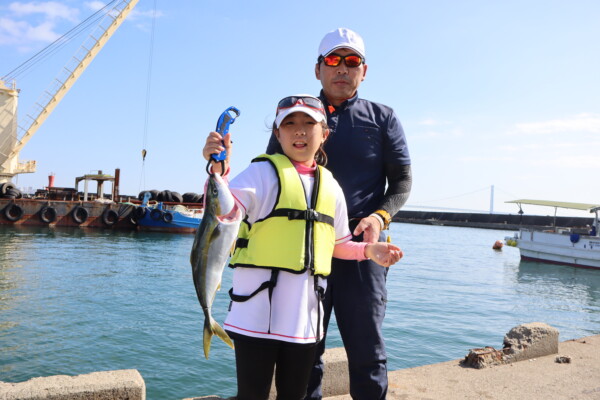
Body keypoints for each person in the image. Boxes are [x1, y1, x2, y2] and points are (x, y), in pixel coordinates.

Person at [202, 95, 404, 400]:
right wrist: (219, 173)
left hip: (305, 321)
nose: (299, 131)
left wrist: (368, 252)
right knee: (251, 395)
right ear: (277, 134)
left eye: (309, 123)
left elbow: (338, 245)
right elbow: (223, 213)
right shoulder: (260, 174)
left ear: (324, 134)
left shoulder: (332, 187)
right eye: (290, 124)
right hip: (256, 315)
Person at [266, 28, 412, 400]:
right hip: (305, 251)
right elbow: (266, 176)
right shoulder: (295, 116)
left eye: (352, 61)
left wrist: (380, 216)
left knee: (368, 353)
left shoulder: (383, 118)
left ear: (364, 71)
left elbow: (402, 181)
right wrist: (218, 165)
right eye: (333, 60)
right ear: (318, 70)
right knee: (303, 351)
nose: (342, 69)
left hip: (363, 252)